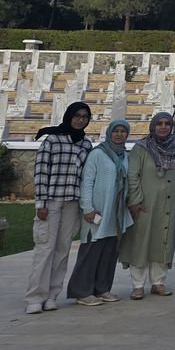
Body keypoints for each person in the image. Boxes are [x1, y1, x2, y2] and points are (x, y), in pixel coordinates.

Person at [119, 112, 175, 300]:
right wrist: (135, 200)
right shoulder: (141, 148)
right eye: (159, 123)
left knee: (164, 240)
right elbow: (132, 175)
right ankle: (138, 285)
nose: (163, 127)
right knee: (140, 241)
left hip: (172, 203)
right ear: (153, 126)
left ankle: (158, 282)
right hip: (146, 203)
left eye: (167, 123)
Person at [25, 101, 94, 314]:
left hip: (72, 203)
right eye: (77, 116)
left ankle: (52, 295)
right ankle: (36, 297)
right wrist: (41, 203)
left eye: (85, 117)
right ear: (69, 116)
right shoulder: (52, 140)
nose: (80, 120)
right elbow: (41, 171)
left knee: (63, 250)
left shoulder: (86, 144)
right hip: (51, 202)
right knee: (45, 248)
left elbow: (86, 176)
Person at [66, 119, 132, 306]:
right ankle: (82, 291)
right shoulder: (98, 154)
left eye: (123, 131)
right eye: (116, 131)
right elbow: (87, 182)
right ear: (109, 132)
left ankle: (102, 289)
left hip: (115, 212)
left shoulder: (124, 156)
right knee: (91, 250)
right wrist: (87, 208)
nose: (119, 134)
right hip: (97, 211)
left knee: (109, 252)